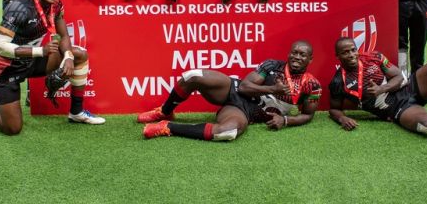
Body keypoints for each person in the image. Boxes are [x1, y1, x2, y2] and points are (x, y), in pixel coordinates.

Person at [0, 0, 106, 135]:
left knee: (79, 54)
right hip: (7, 68)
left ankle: (76, 112)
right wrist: (40, 50)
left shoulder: (56, 5)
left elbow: (63, 35)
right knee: (12, 129)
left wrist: (68, 57)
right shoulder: (19, 8)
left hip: (33, 61)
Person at [138, 40, 322, 141]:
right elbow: (244, 87)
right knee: (192, 75)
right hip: (233, 90)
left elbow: (307, 115)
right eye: (294, 53)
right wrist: (273, 88)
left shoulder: (312, 85)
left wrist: (286, 119)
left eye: (302, 54)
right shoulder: (272, 65)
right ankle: (165, 112)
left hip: (244, 111)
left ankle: (168, 127)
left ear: (310, 60)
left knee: (226, 132)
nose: (297, 57)